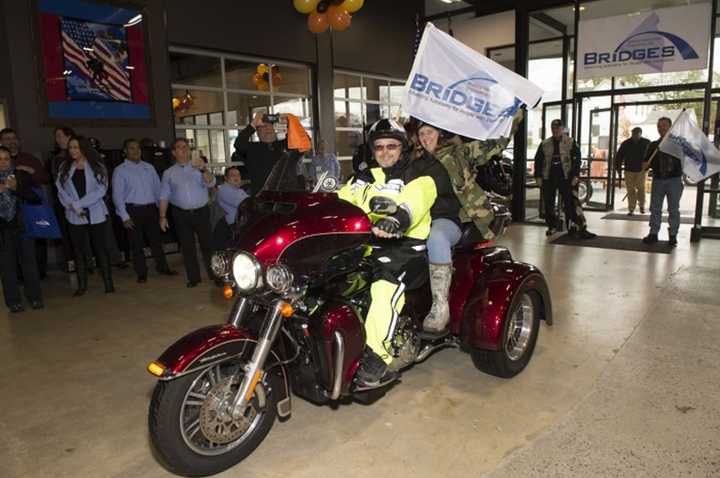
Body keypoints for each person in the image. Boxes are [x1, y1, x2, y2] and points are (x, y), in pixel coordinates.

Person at [337, 119, 438, 387]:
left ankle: (376, 358)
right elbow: (340, 201)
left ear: (402, 147)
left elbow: (416, 200)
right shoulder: (362, 179)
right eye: (379, 147)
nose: (385, 152)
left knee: (383, 284)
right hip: (366, 245)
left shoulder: (418, 176)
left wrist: (399, 218)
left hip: (406, 249)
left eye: (391, 146)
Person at [412, 114, 521, 333]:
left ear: (439, 133)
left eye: (429, 132)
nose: (425, 138)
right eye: (422, 134)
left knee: (437, 237)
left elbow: (497, 143)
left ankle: (440, 306)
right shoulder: (414, 162)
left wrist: (514, 116)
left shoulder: (459, 154)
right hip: (418, 219)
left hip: (451, 218)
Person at [56, 136, 115, 295]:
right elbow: (61, 190)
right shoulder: (65, 167)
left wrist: (79, 204)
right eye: (71, 148)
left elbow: (101, 190)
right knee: (79, 251)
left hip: (95, 212)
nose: (73, 151)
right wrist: (73, 206)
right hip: (74, 215)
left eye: (76, 147)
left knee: (100, 249)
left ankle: (109, 283)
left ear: (84, 148)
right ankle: (82, 285)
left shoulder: (97, 166)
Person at [112, 138, 177, 283]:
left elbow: (157, 189)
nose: (136, 151)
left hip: (151, 209)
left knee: (156, 241)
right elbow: (117, 196)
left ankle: (163, 267)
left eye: (138, 148)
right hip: (132, 211)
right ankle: (141, 273)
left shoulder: (149, 167)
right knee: (136, 244)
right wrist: (124, 216)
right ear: (125, 151)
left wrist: (161, 211)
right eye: (132, 148)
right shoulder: (120, 171)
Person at [159, 138, 216, 287]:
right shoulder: (168, 173)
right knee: (187, 247)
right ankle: (194, 278)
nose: (184, 150)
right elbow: (164, 195)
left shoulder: (198, 167)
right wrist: (162, 216)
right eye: (179, 147)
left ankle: (215, 275)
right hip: (180, 214)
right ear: (173, 152)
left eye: (186, 147)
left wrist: (204, 169)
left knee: (208, 245)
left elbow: (211, 183)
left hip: (201, 212)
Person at [534, 119, 596, 239]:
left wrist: (576, 176)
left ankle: (572, 226)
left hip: (565, 176)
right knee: (549, 203)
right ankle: (552, 226)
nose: (555, 130)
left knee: (569, 202)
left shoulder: (570, 142)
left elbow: (577, 160)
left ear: (562, 129)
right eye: (553, 128)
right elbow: (538, 160)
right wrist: (538, 176)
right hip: (549, 176)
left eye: (557, 128)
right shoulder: (545, 143)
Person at [0, 146, 44, 312]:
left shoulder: (20, 175)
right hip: (3, 230)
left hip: (22, 227)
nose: (3, 162)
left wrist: (16, 188)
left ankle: (35, 298)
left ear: (11, 160)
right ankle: (13, 302)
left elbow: (35, 198)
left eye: (6, 158)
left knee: (29, 264)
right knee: (7, 267)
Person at [233, 113, 303, 195]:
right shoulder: (252, 149)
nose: (268, 128)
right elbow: (239, 144)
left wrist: (290, 124)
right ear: (257, 132)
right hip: (264, 201)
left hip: (288, 199)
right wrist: (253, 124)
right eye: (263, 126)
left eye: (271, 125)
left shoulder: (286, 145)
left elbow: (304, 142)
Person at [642, 117, 683, 247]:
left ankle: (673, 235)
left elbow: (687, 160)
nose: (661, 128)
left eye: (664, 125)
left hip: (674, 180)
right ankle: (653, 233)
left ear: (670, 127)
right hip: (658, 180)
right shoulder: (653, 145)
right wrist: (646, 164)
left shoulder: (678, 144)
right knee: (655, 209)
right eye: (659, 126)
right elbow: (645, 164)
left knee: (673, 209)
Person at [616, 127, 651, 215]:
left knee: (641, 188)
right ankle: (631, 208)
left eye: (637, 134)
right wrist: (618, 168)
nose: (635, 136)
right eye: (633, 134)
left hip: (641, 170)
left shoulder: (646, 143)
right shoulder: (626, 143)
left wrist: (648, 166)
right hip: (629, 170)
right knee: (630, 190)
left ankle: (642, 206)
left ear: (640, 134)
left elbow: (651, 156)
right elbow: (619, 156)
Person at [213, 166, 248, 249]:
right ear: (226, 178)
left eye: (238, 175)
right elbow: (244, 203)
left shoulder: (239, 190)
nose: (236, 177)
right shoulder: (224, 189)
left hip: (240, 223)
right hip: (231, 227)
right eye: (232, 175)